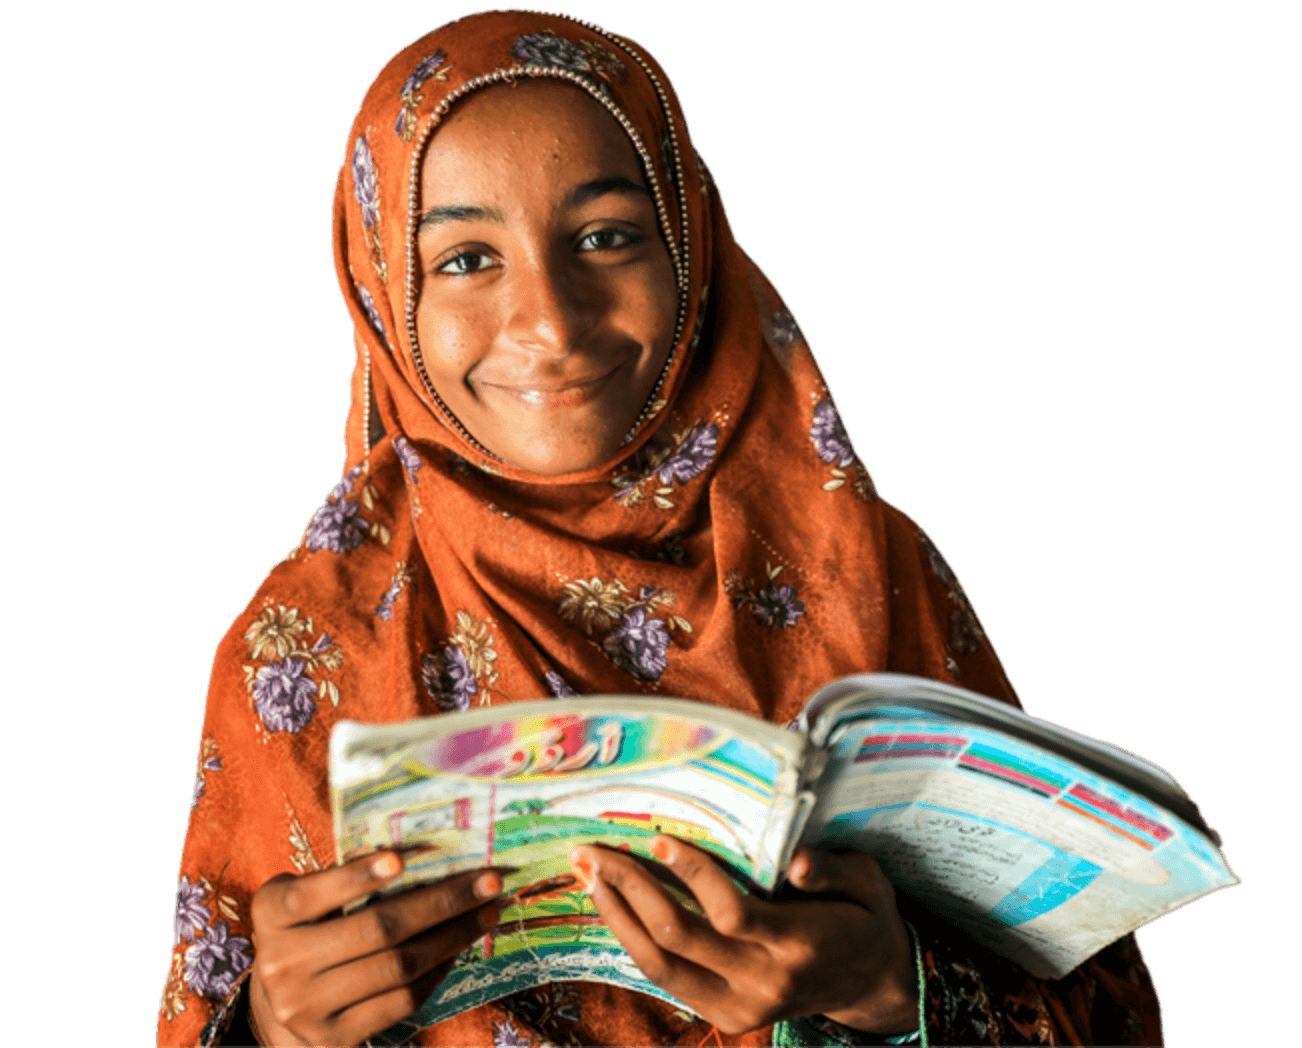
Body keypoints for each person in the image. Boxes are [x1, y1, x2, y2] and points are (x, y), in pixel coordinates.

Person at [158, 10, 1165, 1047]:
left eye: (605, 236)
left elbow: (1106, 1012)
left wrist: (888, 988)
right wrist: (271, 1029)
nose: (550, 320)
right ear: (379, 286)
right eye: (465, 258)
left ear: (691, 248)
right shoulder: (305, 644)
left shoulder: (868, 568)